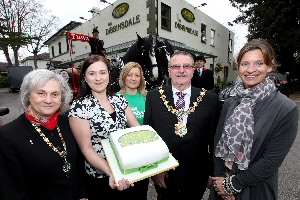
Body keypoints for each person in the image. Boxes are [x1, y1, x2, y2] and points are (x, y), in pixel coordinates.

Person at [210, 39, 299, 200]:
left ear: (269, 66)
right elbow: (218, 141)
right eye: (245, 64)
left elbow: (271, 161)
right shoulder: (231, 101)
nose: (251, 70)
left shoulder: (285, 108)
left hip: (255, 190)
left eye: (258, 63)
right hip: (221, 189)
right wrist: (219, 181)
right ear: (239, 67)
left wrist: (232, 185)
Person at [0, 69, 87, 199]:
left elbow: (79, 166)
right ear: (28, 95)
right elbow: (12, 191)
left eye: (55, 94)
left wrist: (83, 195)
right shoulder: (8, 135)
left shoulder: (68, 122)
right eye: (41, 93)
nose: (48, 100)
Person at [144, 51, 221, 199]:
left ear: (193, 70)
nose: (181, 70)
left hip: (197, 175)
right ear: (169, 71)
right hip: (164, 174)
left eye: (186, 66)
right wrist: (155, 170)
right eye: (176, 66)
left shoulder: (210, 100)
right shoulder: (153, 97)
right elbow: (149, 137)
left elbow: (214, 141)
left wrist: (214, 173)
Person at [68, 55, 140, 199]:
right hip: (101, 177)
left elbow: (137, 129)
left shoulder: (119, 99)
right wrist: (112, 172)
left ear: (109, 74)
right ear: (85, 77)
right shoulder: (80, 107)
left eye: (102, 72)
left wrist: (157, 151)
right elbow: (86, 148)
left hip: (128, 170)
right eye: (92, 73)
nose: (98, 78)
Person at [117, 61, 149, 199]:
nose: (133, 78)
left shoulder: (147, 97)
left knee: (141, 191)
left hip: (144, 151)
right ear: (124, 76)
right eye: (130, 75)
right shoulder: (116, 98)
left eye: (137, 75)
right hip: (126, 151)